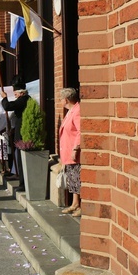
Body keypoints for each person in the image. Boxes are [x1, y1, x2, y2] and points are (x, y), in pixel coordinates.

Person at [59, 88, 82, 217]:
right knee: (72, 178)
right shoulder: (70, 111)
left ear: (66, 99)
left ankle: (80, 205)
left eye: (61, 99)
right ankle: (74, 203)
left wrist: (75, 148)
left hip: (73, 151)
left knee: (77, 178)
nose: (60, 101)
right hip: (67, 151)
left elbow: (80, 130)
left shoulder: (77, 111)